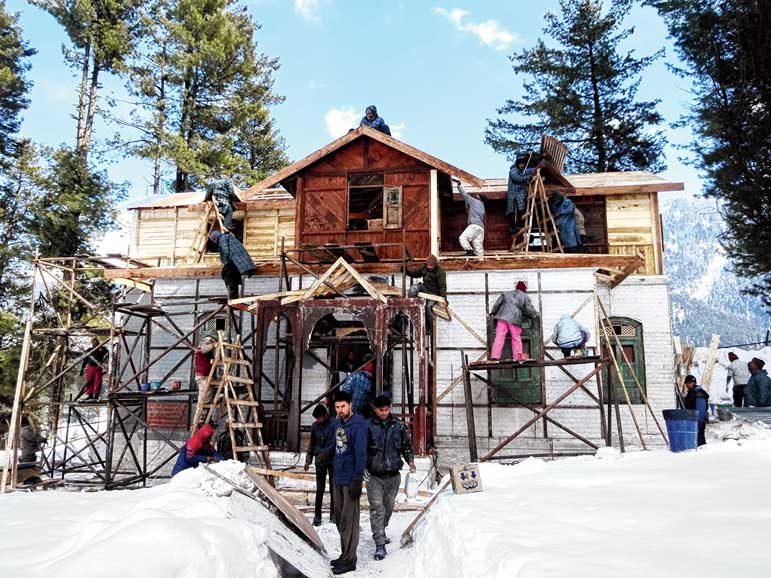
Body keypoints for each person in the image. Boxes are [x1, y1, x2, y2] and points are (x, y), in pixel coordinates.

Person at [366, 395, 415, 561]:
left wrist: (410, 461)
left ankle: (382, 528)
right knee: (377, 508)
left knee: (388, 507)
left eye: (387, 410)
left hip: (393, 475)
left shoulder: (398, 426)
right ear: (375, 409)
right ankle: (379, 544)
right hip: (375, 476)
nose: (384, 413)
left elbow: (406, 446)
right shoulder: (367, 426)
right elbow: (361, 449)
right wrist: (362, 467)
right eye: (381, 410)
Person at [326, 390, 368, 575]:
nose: (340, 410)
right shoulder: (338, 423)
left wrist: (358, 478)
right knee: (340, 521)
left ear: (350, 405)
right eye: (337, 407)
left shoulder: (358, 425)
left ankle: (350, 560)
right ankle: (344, 555)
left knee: (350, 521)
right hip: (338, 476)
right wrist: (324, 455)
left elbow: (361, 453)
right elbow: (337, 446)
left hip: (351, 479)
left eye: (343, 406)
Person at [489, 281, 539, 361]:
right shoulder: (524, 296)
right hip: (514, 319)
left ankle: (495, 356)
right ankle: (518, 357)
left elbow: (497, 304)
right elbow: (530, 309)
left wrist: (493, 313)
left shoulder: (505, 294)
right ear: (524, 289)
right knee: (516, 338)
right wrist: (535, 314)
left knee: (499, 337)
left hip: (501, 318)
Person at [305, 404, 336, 526]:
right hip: (319, 460)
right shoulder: (314, 426)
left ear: (325, 416)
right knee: (320, 488)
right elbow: (312, 444)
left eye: (319, 418)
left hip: (332, 460)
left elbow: (336, 443)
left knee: (334, 488)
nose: (317, 421)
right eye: (316, 419)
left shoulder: (334, 424)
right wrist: (308, 460)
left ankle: (334, 514)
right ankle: (317, 515)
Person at [210, 230, 256, 299]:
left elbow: (226, 252)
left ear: (215, 238)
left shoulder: (222, 239)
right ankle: (234, 294)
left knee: (226, 273)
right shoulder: (227, 237)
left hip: (235, 259)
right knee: (233, 275)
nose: (214, 242)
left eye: (213, 240)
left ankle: (232, 294)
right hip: (240, 260)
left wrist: (225, 262)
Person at [406, 255, 447, 327]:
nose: (429, 267)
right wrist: (406, 271)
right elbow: (416, 274)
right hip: (424, 288)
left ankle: (429, 326)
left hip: (433, 293)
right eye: (428, 265)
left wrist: (444, 299)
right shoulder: (423, 267)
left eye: (431, 266)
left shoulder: (440, 272)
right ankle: (411, 305)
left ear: (435, 265)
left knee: (429, 307)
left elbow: (442, 287)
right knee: (413, 288)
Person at [454, 177, 486, 257]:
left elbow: (465, 195)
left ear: (479, 198)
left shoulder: (475, 202)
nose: (475, 196)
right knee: (478, 246)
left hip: (474, 226)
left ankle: (469, 251)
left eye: (477, 196)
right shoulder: (482, 207)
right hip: (481, 228)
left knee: (463, 238)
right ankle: (481, 260)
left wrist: (459, 185)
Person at [506, 155, 536, 236]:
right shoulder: (513, 171)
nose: (523, 166)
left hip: (520, 195)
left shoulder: (521, 171)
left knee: (521, 211)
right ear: (518, 164)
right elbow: (517, 178)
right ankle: (513, 227)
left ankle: (520, 226)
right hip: (514, 195)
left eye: (524, 164)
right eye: (521, 164)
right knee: (515, 212)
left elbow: (529, 172)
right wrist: (527, 178)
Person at [683, 375, 709, 446]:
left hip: (697, 425)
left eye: (690, 382)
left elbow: (700, 412)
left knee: (699, 445)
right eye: (687, 383)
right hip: (691, 423)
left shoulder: (699, 394)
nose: (689, 384)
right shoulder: (691, 393)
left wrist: (697, 425)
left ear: (694, 383)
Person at [80, 337, 108, 401]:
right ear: (92, 342)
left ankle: (96, 395)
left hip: (98, 366)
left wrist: (101, 348)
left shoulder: (102, 349)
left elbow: (107, 352)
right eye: (93, 341)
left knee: (98, 381)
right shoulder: (89, 349)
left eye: (96, 340)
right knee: (89, 381)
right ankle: (90, 395)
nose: (95, 342)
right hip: (90, 367)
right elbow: (85, 359)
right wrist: (82, 368)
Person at [194, 334, 216, 398]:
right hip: (203, 377)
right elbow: (204, 349)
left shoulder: (207, 351)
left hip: (206, 376)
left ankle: (202, 407)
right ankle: (201, 408)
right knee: (204, 399)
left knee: (207, 398)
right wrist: (213, 344)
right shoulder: (202, 347)